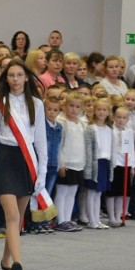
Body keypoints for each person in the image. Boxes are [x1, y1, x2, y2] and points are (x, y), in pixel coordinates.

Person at [0, 58, 47, 270]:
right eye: (11, 75)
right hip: (4, 158)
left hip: (26, 160)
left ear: (26, 77)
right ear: (6, 78)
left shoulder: (37, 105)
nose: (15, 79)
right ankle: (18, 263)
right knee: (11, 215)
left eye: (19, 75)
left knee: (18, 217)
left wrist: (42, 172)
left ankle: (5, 260)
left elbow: (40, 141)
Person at [54, 93, 84, 232]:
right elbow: (59, 144)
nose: (74, 109)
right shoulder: (61, 122)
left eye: (77, 107)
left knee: (72, 192)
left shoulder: (82, 123)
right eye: (71, 106)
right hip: (66, 163)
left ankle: (67, 218)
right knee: (62, 192)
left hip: (78, 163)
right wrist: (61, 163)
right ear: (64, 106)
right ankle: (60, 220)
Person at [83, 98, 113, 229]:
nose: (101, 112)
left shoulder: (109, 129)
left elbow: (111, 148)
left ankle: (97, 219)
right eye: (99, 109)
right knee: (91, 191)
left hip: (104, 162)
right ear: (94, 111)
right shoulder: (90, 129)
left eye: (104, 110)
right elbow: (88, 149)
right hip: (94, 163)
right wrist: (88, 167)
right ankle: (91, 220)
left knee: (99, 192)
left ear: (108, 112)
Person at [106, 106, 135, 227]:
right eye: (118, 117)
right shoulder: (111, 131)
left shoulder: (128, 133)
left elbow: (131, 150)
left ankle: (119, 215)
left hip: (126, 165)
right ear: (113, 117)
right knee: (112, 191)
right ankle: (111, 216)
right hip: (115, 164)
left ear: (128, 119)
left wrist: (132, 165)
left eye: (124, 118)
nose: (121, 120)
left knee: (123, 192)